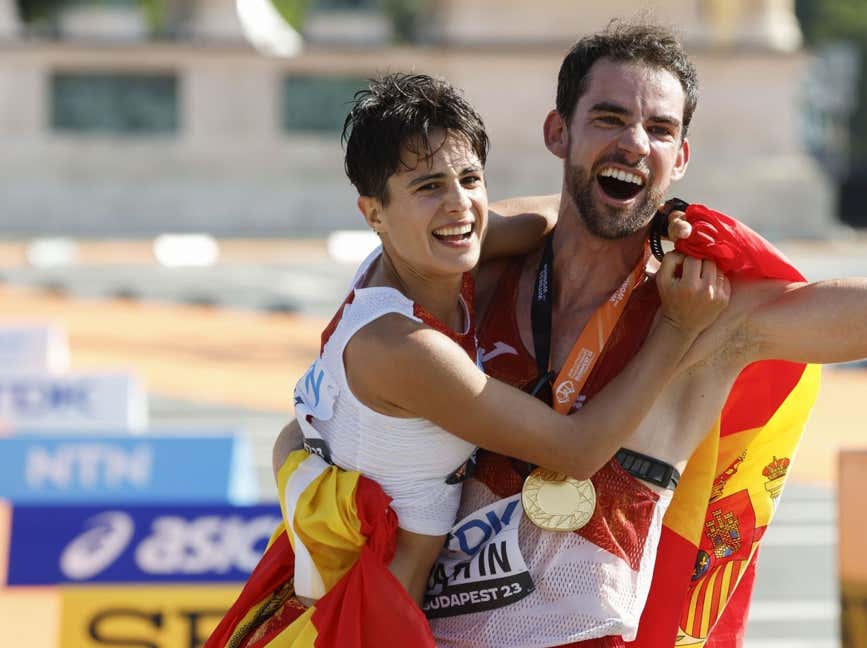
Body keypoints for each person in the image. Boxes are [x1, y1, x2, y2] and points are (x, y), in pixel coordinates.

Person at [275, 6, 867, 646]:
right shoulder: (477, 274)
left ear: (681, 158)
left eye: (660, 130)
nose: (635, 143)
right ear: (558, 133)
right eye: (608, 119)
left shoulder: (712, 309)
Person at [208, 73, 729, 648]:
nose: (459, 205)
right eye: (428, 186)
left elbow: (547, 219)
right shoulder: (406, 347)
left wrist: (646, 212)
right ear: (373, 212)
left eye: (470, 178)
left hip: (368, 606)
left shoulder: (425, 262)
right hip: (357, 629)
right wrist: (677, 329)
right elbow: (577, 450)